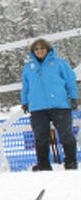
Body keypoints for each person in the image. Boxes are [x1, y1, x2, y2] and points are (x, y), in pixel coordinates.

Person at [21, 38, 78, 171]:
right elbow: (25, 86)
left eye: (42, 48)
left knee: (65, 134)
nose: (39, 51)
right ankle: (43, 164)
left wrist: (74, 97)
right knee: (40, 137)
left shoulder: (59, 63)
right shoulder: (29, 67)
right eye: (36, 49)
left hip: (60, 105)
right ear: (33, 52)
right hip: (37, 107)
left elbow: (70, 80)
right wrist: (24, 101)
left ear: (48, 49)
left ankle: (71, 162)